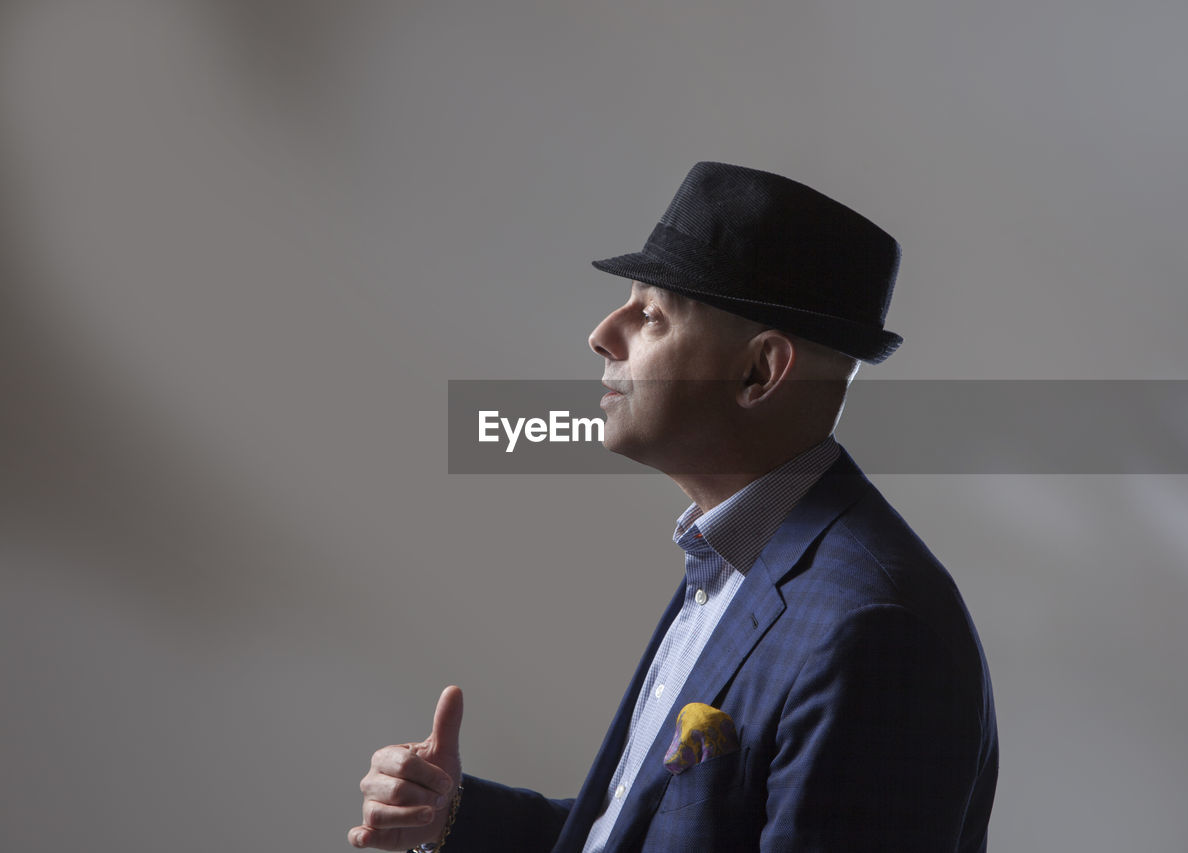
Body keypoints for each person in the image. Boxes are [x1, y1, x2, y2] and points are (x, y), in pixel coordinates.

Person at [348, 162, 999, 852]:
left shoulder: (871, 628)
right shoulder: (738, 561)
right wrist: (452, 815)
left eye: (651, 313)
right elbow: (654, 832)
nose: (603, 332)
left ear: (758, 371)